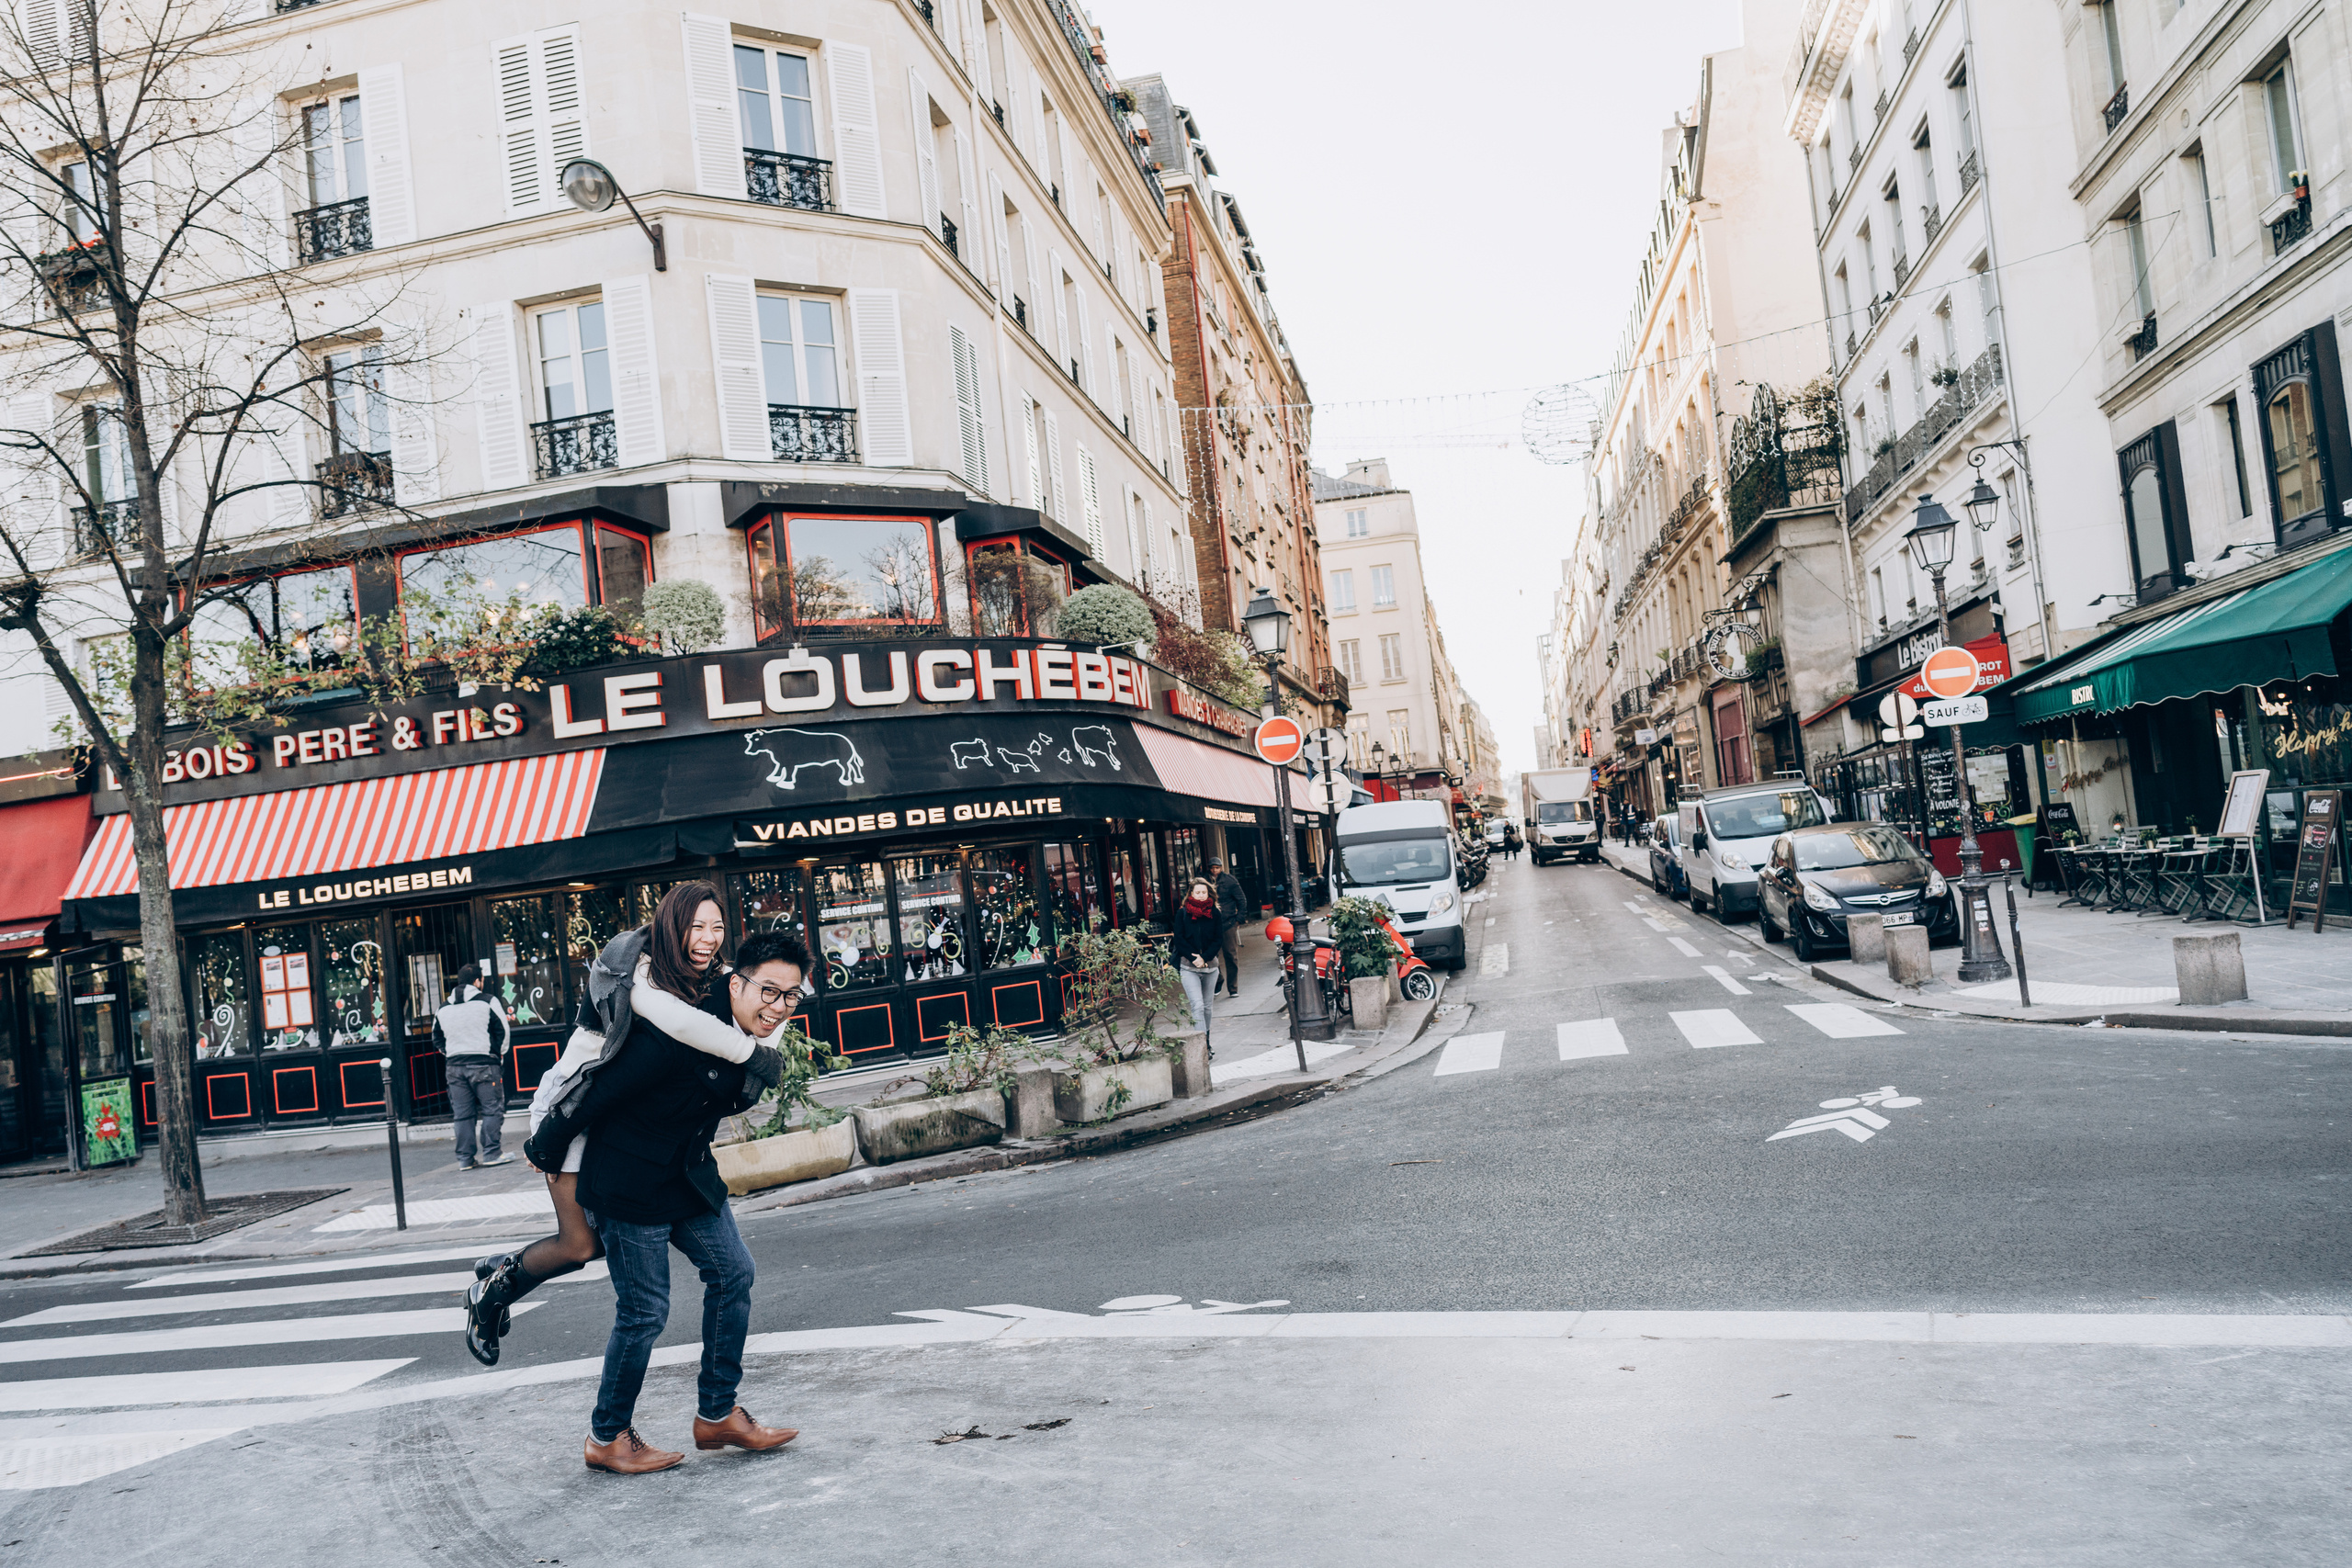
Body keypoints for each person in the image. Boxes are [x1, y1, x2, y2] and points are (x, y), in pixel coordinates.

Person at [463, 885, 786, 1367]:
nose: (709, 938)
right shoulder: (639, 972)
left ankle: (500, 1270)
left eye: (717, 927)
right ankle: (492, 1294)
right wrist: (547, 1141)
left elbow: (766, 1008)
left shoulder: (706, 974)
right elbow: (672, 1033)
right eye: (696, 926)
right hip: (571, 1104)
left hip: (614, 1111)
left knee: (595, 1242)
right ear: (672, 925)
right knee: (579, 1245)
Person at [525, 929, 802, 1475]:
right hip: (627, 1178)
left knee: (734, 1273)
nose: (778, 1008)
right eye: (769, 992)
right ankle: (607, 1436)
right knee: (645, 1310)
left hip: (686, 1173)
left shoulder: (752, 1032)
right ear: (736, 981)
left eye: (791, 996)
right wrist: (547, 1144)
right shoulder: (682, 1023)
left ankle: (718, 1413)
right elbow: (601, 1088)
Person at [434, 964, 512, 1170]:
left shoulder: (443, 1007)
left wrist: (450, 1053)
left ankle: (465, 1160)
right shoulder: (488, 1001)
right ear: (477, 981)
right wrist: (498, 1055)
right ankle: (492, 1153)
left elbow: (437, 1038)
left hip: (454, 1066)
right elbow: (503, 1032)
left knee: (462, 1114)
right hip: (484, 1064)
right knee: (491, 1109)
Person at [1170, 878, 1222, 1047]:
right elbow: (1179, 940)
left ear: (1209, 894)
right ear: (1191, 894)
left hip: (1211, 967)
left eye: (1204, 892)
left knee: (1207, 1007)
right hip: (1188, 967)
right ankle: (1202, 1046)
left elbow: (1218, 940)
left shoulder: (1215, 913)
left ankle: (1206, 1039)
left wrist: (1204, 957)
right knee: (1197, 1006)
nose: (1201, 896)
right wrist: (1195, 959)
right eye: (1198, 892)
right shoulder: (1182, 913)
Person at [1210, 858, 1248, 996]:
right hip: (1211, 923)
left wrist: (1239, 920)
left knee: (1231, 956)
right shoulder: (1204, 880)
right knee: (1211, 956)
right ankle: (1218, 980)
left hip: (1228, 922)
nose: (1214, 870)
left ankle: (1233, 988)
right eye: (1212, 868)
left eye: (1217, 868)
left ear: (1221, 867)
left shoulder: (1230, 880)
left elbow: (1242, 899)